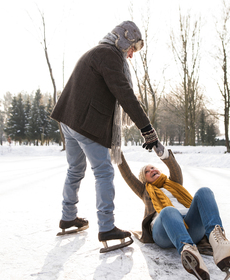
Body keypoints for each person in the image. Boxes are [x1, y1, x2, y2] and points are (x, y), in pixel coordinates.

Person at [50, 21, 159, 253]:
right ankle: (107, 227)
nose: (131, 55)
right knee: (104, 172)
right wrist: (147, 130)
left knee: (75, 170)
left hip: (69, 121)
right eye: (132, 48)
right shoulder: (108, 55)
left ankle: (68, 217)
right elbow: (125, 94)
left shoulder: (96, 52)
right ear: (123, 40)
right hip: (86, 125)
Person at [117, 142, 230, 280]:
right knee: (169, 210)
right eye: (147, 172)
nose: (151, 170)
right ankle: (187, 249)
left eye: (152, 167)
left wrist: (163, 153)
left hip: (191, 227)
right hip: (164, 231)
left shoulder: (174, 183)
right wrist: (117, 150)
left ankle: (219, 243)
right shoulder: (144, 190)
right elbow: (127, 175)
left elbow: (175, 168)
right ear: (144, 180)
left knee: (204, 191)